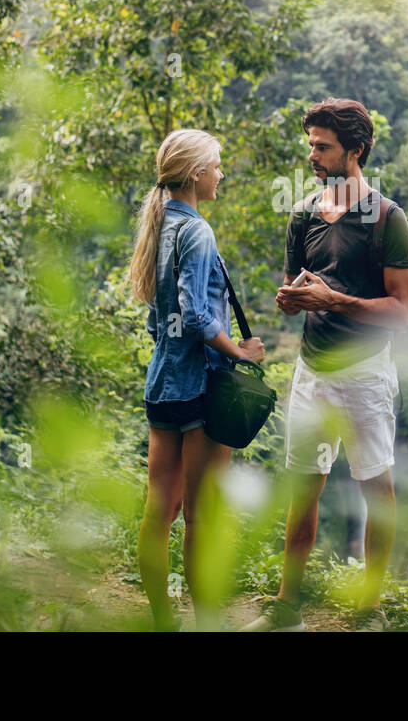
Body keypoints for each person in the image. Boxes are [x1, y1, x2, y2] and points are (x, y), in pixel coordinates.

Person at [241, 98, 408, 632]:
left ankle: (369, 609)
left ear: (356, 150)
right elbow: (298, 288)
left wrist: (336, 301)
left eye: (323, 146)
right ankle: (287, 607)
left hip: (365, 374)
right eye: (310, 145)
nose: (313, 156)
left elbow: (402, 312)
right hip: (313, 372)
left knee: (375, 489)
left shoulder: (388, 220)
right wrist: (292, 300)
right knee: (304, 484)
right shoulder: (302, 214)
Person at [128, 128, 265, 631]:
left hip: (162, 386)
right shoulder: (197, 231)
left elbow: (156, 319)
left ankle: (164, 622)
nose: (221, 174)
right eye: (216, 166)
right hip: (204, 388)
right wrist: (242, 353)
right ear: (194, 174)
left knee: (158, 512)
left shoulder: (158, 226)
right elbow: (198, 316)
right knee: (201, 518)